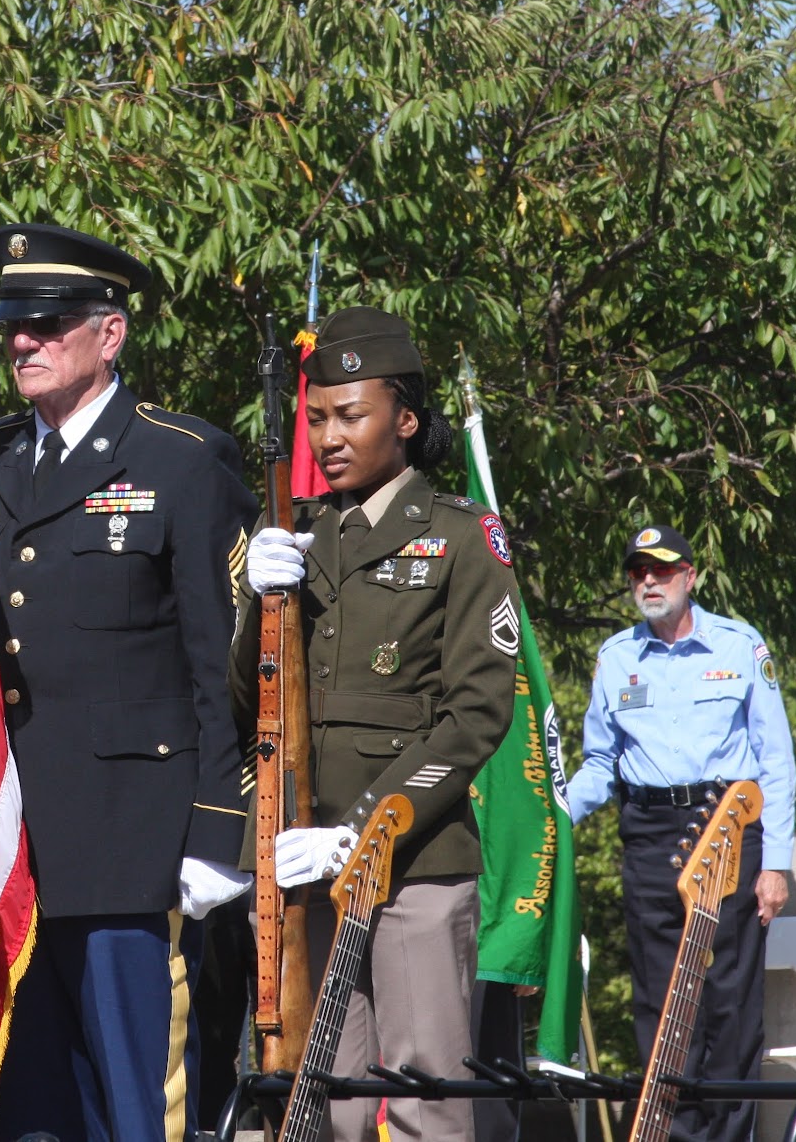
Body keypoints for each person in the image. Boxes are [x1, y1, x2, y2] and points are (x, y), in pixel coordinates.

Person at [0, 222, 256, 1142]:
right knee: (32, 1114)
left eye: (48, 323)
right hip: (9, 848)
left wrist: (221, 832)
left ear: (110, 333)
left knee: (139, 1109)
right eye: (14, 322)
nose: (24, 341)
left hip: (136, 842)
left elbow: (226, 668)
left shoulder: (180, 459)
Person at [230, 307, 521, 1142]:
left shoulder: (462, 538)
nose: (328, 436)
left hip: (414, 865)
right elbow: (252, 703)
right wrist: (257, 601)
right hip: (310, 869)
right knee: (331, 1106)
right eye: (316, 416)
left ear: (406, 418)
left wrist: (360, 831)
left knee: (428, 1098)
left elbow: (473, 719)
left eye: (350, 414)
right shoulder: (301, 534)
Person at [567, 525, 796, 1142]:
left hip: (728, 831)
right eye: (638, 571)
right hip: (647, 832)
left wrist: (776, 864)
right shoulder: (617, 657)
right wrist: (553, 816)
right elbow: (600, 763)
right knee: (660, 1002)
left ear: (689, 577)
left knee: (728, 1000)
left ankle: (730, 1135)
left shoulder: (739, 645)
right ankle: (675, 1135)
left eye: (661, 570)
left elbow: (775, 760)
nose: (648, 581)